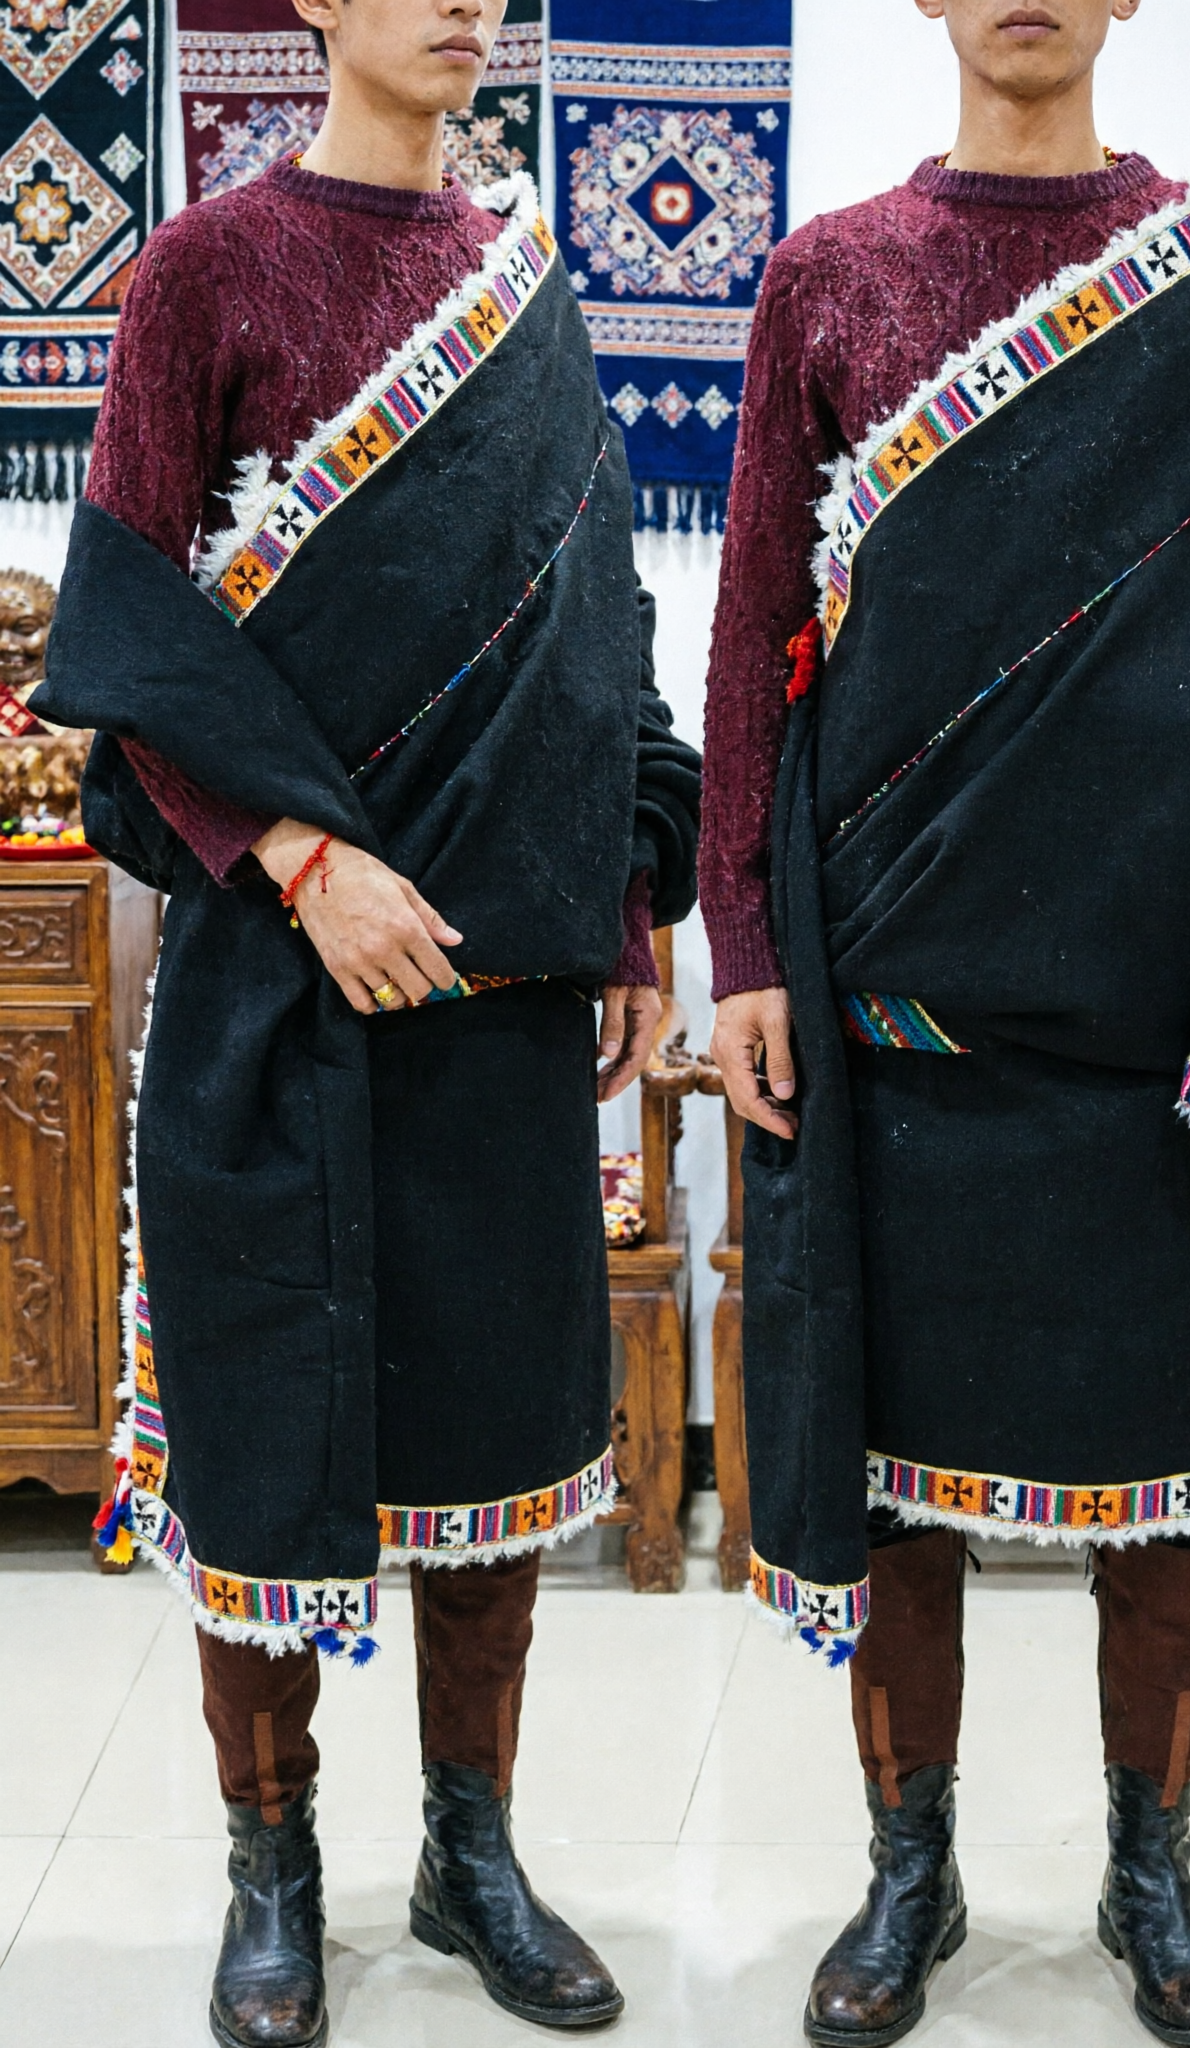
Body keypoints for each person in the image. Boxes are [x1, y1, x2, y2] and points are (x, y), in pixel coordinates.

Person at [702, 2, 1190, 2040]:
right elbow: (759, 626)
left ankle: (1151, 1873)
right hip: (888, 1010)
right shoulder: (831, 271)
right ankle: (904, 1868)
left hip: (1146, 1027)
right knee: (898, 1485)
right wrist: (744, 951)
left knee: (1165, 1488)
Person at [33, 0, 700, 2041]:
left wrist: (637, 888)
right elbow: (133, 634)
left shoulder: (530, 282)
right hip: (273, 988)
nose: (459, 6)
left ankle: (471, 1851)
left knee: (494, 1437)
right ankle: (273, 1867)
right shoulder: (206, 269)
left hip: (499, 1002)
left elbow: (601, 624)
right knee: (263, 1439)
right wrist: (313, 867)